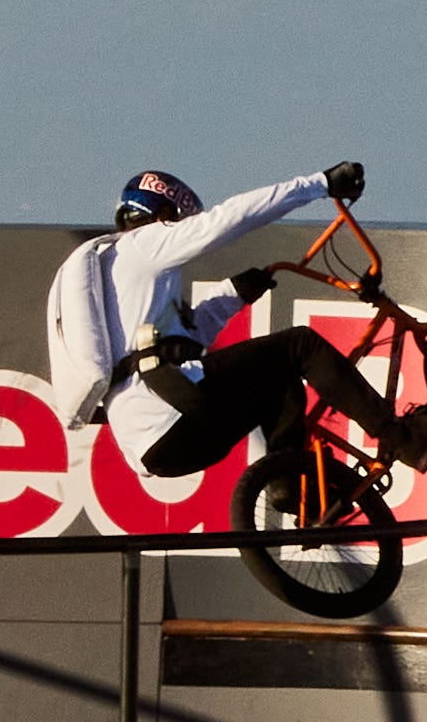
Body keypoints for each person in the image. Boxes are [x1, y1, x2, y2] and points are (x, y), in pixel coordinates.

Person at [45, 161, 385, 485]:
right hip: (174, 412)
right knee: (301, 345)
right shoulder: (144, 244)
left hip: (156, 448)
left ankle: (293, 492)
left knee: (279, 383)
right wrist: (319, 185)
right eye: (177, 220)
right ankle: (399, 435)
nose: (179, 229)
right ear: (164, 214)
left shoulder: (114, 272)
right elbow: (229, 219)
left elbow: (187, 337)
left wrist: (234, 292)